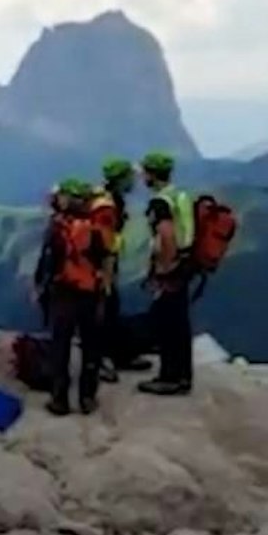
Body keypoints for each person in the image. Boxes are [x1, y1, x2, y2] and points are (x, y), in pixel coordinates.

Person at [35, 179, 113, 416]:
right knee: (91, 345)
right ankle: (87, 397)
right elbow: (107, 257)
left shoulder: (58, 227)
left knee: (61, 345)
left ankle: (60, 399)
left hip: (63, 291)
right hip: (90, 292)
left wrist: (40, 287)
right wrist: (105, 288)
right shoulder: (96, 227)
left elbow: (48, 260)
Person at [137, 151, 196, 397]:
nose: (142, 177)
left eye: (144, 172)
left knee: (167, 322)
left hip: (172, 267)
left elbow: (167, 236)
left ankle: (169, 377)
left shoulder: (160, 202)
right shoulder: (179, 195)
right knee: (179, 322)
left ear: (152, 174)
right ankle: (183, 376)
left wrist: (163, 270)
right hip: (186, 262)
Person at [96, 156, 152, 380]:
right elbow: (105, 242)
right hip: (102, 266)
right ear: (120, 179)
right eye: (129, 177)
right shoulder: (107, 205)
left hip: (107, 263)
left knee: (111, 308)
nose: (134, 182)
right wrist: (106, 275)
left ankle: (118, 354)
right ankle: (100, 360)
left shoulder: (112, 199)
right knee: (103, 308)